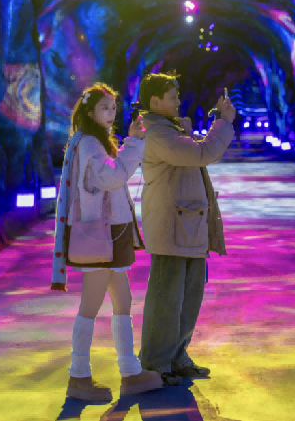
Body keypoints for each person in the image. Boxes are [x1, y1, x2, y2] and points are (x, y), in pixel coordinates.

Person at [51, 83, 164, 402]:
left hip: (111, 232)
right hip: (100, 234)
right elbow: (112, 177)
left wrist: (130, 142)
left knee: (123, 301)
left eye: (113, 108)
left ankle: (130, 371)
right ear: (89, 112)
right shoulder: (89, 143)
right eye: (104, 108)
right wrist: (135, 143)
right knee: (90, 305)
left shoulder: (92, 140)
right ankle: (78, 376)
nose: (111, 113)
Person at [135, 72, 237, 386]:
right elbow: (202, 153)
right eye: (172, 97)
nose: (178, 101)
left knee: (188, 297)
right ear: (155, 101)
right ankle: (155, 364)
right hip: (171, 228)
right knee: (166, 299)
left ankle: (177, 358)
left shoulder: (171, 130)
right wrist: (223, 123)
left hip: (188, 226)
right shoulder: (157, 134)